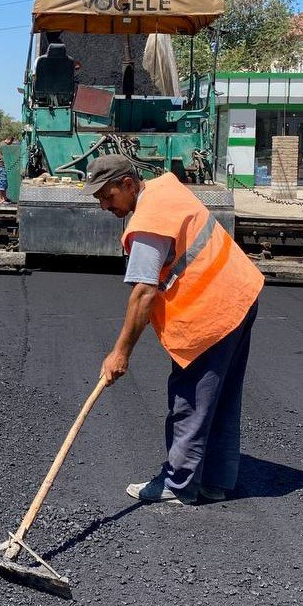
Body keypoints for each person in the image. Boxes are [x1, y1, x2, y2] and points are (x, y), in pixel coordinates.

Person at [87, 154, 263, 506]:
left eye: (108, 196)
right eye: (99, 200)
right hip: (239, 295)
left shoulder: (150, 219)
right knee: (222, 395)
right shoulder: (164, 191)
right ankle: (215, 480)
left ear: (127, 184)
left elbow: (143, 291)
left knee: (191, 397)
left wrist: (120, 352)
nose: (105, 205)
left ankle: (178, 485)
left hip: (211, 310)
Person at [0, 136, 15, 204]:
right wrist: (1, 159)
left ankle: (4, 197)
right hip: (2, 166)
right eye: (11, 142)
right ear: (9, 139)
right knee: (2, 182)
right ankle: (0, 199)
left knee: (4, 182)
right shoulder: (4, 145)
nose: (11, 144)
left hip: (2, 165)